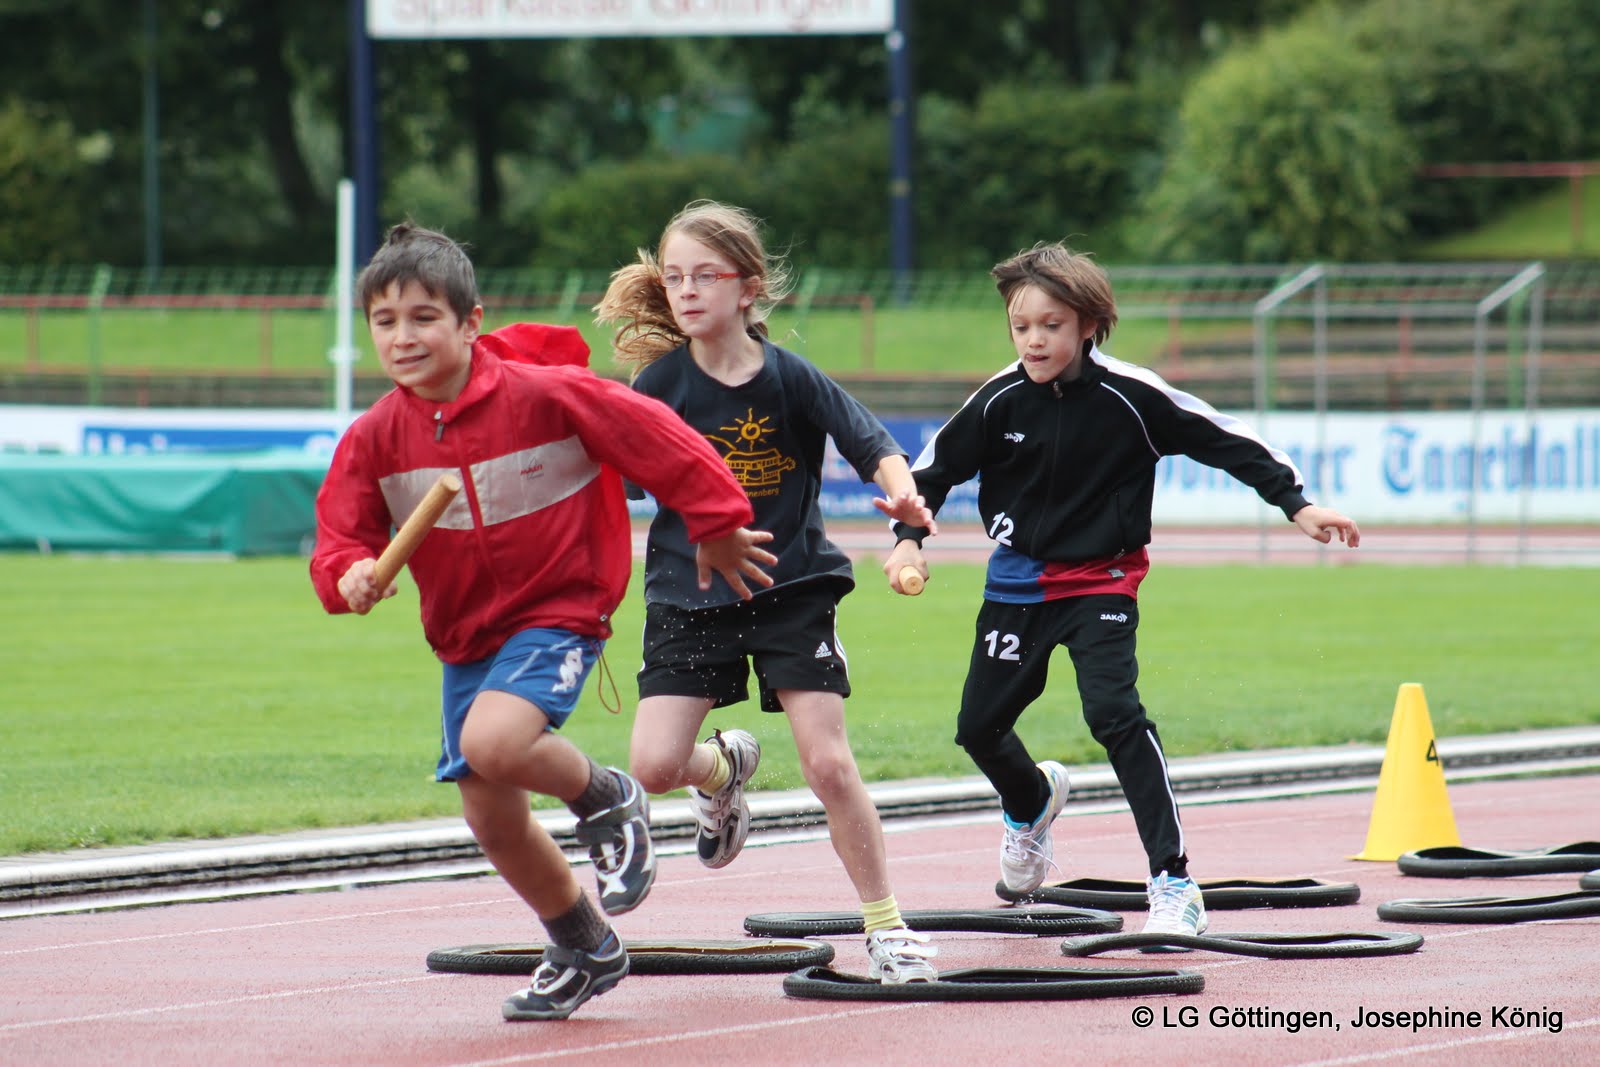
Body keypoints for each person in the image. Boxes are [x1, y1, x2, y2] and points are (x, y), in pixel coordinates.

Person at [309, 222, 776, 1021]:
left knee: (495, 741)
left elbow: (662, 442)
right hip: (466, 636)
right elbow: (340, 537)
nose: (402, 336)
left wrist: (718, 521)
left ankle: (609, 797)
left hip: (560, 608)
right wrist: (347, 572)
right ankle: (583, 942)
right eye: (384, 321)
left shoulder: (546, 396)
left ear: (470, 322)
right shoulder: (375, 438)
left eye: (423, 317)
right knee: (490, 813)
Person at [883, 242, 1360, 949]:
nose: (1034, 340)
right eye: (1021, 326)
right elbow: (932, 473)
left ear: (1087, 324)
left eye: (1051, 325)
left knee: (1113, 713)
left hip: (1102, 580)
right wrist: (907, 538)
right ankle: (1031, 802)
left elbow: (1227, 440)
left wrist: (1298, 503)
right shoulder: (997, 398)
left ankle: (1174, 882)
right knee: (979, 728)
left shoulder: (1133, 396)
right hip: (1016, 583)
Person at [593, 200, 940, 983]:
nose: (686, 290)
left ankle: (887, 926)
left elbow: (874, 444)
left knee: (829, 765)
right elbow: (613, 475)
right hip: (689, 592)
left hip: (792, 589)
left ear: (747, 288)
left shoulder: (791, 378)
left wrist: (902, 495)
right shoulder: (660, 384)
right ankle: (723, 771)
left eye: (703, 275)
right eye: (674, 277)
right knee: (653, 765)